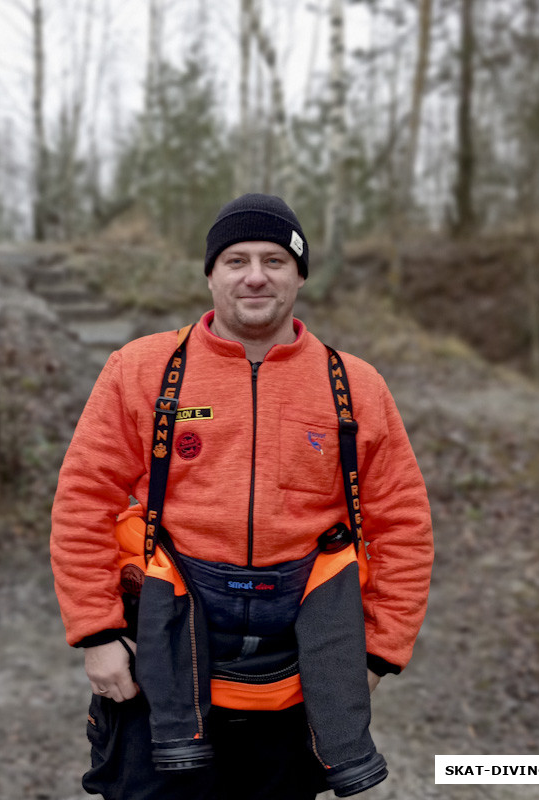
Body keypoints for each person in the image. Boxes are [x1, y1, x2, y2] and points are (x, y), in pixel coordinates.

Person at [50, 193, 433, 800]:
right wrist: (96, 635)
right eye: (236, 260)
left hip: (298, 673)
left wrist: (379, 654)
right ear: (210, 274)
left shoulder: (354, 386)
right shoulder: (141, 369)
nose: (255, 275)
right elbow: (82, 500)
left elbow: (403, 524)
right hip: (162, 656)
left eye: (275, 260)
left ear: (300, 275)